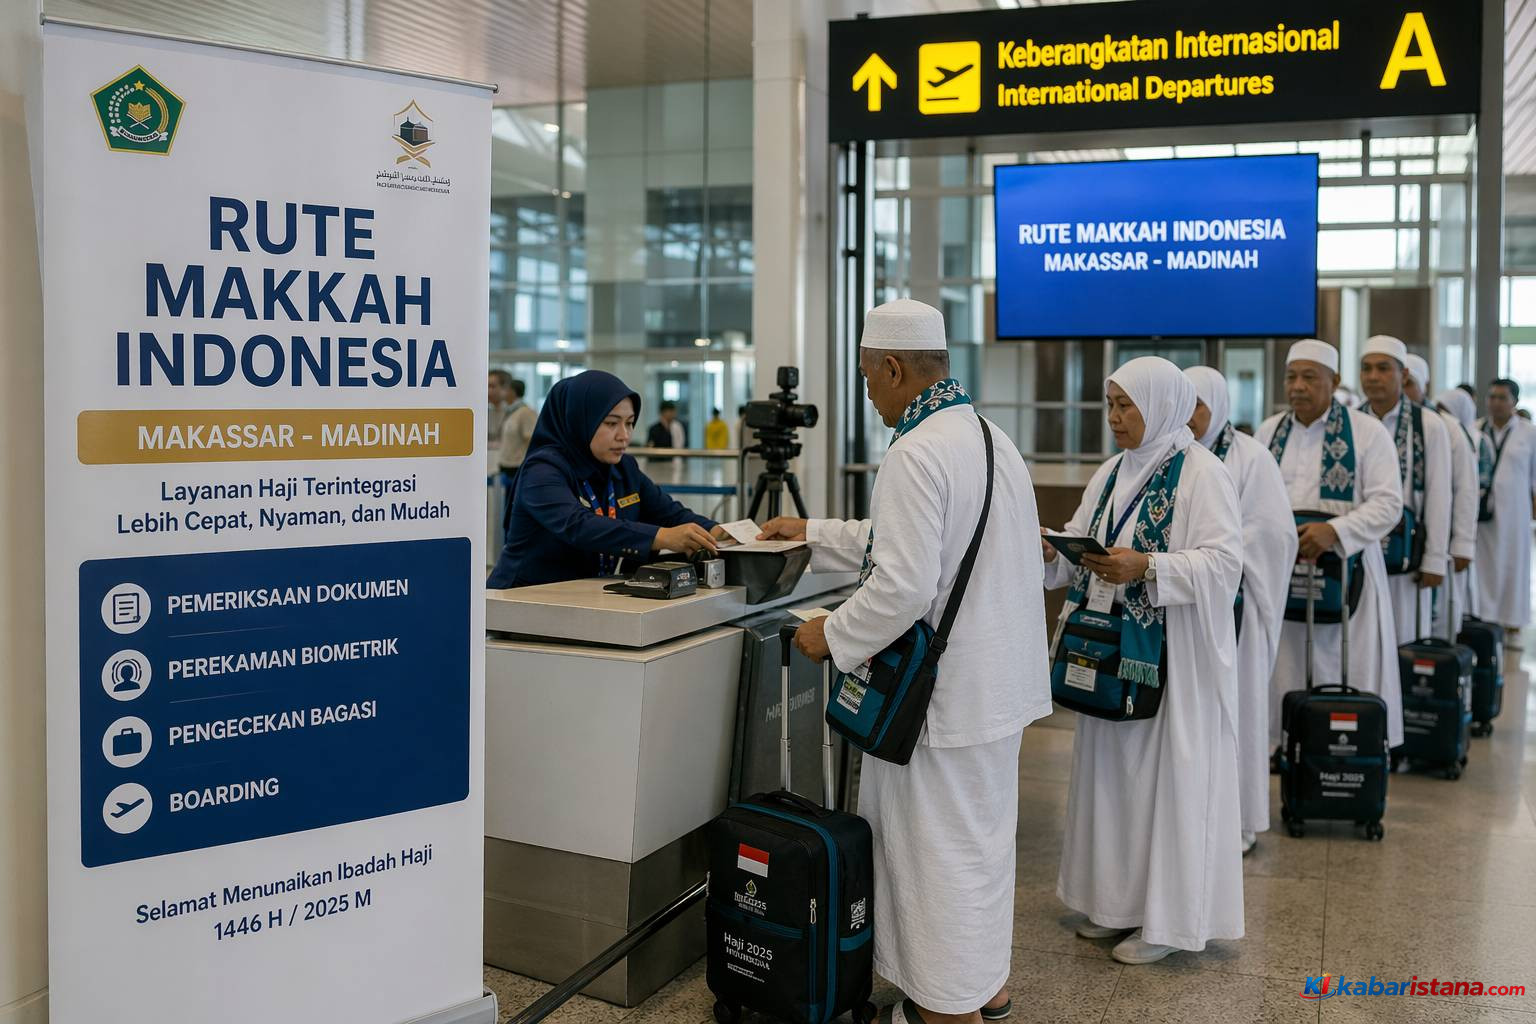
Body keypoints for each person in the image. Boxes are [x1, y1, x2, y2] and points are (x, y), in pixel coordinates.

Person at [759, 299, 1050, 1024]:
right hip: (1001, 688)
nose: (867, 393)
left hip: (943, 704)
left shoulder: (915, 451)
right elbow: (916, 540)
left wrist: (834, 631)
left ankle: (945, 1011)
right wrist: (816, 530)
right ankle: (988, 988)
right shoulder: (987, 437)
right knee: (981, 848)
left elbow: (903, 583)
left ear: (894, 368)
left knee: (936, 858)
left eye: (867, 377)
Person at [1045, 357, 1244, 966]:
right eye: (1109, 404)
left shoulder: (1201, 475)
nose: (1115, 418)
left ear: (1159, 404)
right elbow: (1079, 542)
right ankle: (1117, 905)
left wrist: (1150, 566)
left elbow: (1225, 563)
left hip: (1172, 658)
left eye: (1126, 405)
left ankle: (1167, 922)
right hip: (1110, 651)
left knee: (1165, 785)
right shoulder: (1110, 473)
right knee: (1113, 782)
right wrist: (1052, 549)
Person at [1259, 340, 1405, 752]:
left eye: (1309, 377)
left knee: (1347, 664)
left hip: (1348, 574)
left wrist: (1336, 531)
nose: (1298, 387)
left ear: (1334, 382)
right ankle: (1284, 746)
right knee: (1283, 663)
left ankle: (1343, 750)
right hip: (1283, 576)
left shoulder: (1367, 432)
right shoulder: (1269, 432)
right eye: (1291, 377)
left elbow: (1389, 504)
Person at [1184, 366, 1297, 856]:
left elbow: (1275, 533)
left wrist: (1212, 551)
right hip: (1182, 605)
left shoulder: (1251, 459)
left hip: (1236, 610)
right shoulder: (1168, 456)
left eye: (1197, 407)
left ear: (1219, 406)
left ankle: (1241, 820)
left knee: (1238, 710)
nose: (1188, 418)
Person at [486, 371, 724, 589]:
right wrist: (662, 537)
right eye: (611, 423)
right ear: (580, 420)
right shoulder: (543, 470)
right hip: (522, 601)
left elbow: (671, 514)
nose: (624, 435)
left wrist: (720, 533)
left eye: (630, 423)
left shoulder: (623, 468)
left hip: (581, 599)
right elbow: (578, 525)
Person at [1358, 336, 1451, 645]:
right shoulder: (1350, 422)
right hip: (1361, 549)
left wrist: (1435, 559)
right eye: (1367, 368)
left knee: (1405, 639)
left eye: (1383, 368)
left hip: (1409, 551)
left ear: (1404, 375)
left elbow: (1439, 495)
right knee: (1364, 639)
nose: (1373, 377)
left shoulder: (1428, 424)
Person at [1475, 378, 1536, 649]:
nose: (1495, 403)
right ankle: (1486, 619)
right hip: (1483, 514)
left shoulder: (1528, 433)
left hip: (1516, 513)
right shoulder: (1476, 429)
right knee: (1485, 566)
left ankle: (1513, 623)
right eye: (1492, 397)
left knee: (1514, 564)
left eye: (1502, 398)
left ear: (1515, 402)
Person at [1433, 387, 1486, 627]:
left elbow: (1468, 487)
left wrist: (1463, 541)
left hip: (1457, 523)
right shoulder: (1433, 426)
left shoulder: (1463, 434)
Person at [497, 378, 538, 535]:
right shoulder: (510, 411)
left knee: (515, 517)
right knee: (507, 516)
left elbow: (532, 440)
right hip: (507, 470)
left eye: (505, 389)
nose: (502, 393)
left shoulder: (526, 413)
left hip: (518, 471)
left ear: (512, 392)